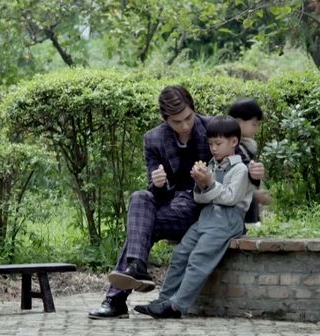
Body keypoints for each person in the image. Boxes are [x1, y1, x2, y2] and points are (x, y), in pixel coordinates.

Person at [88, 86, 264, 319]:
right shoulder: (154, 139)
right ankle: (136, 267)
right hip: (173, 209)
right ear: (165, 119)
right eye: (176, 122)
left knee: (142, 227)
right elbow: (155, 190)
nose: (185, 125)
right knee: (140, 198)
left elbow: (239, 165)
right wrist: (157, 182)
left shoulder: (212, 129)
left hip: (204, 209)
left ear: (193, 109)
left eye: (188, 118)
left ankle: (116, 299)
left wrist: (254, 175)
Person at [133, 115, 253, 318]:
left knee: (198, 258)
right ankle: (163, 299)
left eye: (218, 144)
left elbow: (231, 198)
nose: (213, 148)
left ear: (234, 142)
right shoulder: (211, 166)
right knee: (180, 253)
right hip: (207, 217)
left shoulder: (240, 169)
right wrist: (200, 183)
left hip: (228, 219)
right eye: (210, 144)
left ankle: (176, 306)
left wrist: (210, 183)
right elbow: (199, 198)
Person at [228, 97, 270, 223]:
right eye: (254, 124)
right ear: (239, 123)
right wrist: (255, 194)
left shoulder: (245, 146)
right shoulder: (233, 149)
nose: (256, 129)